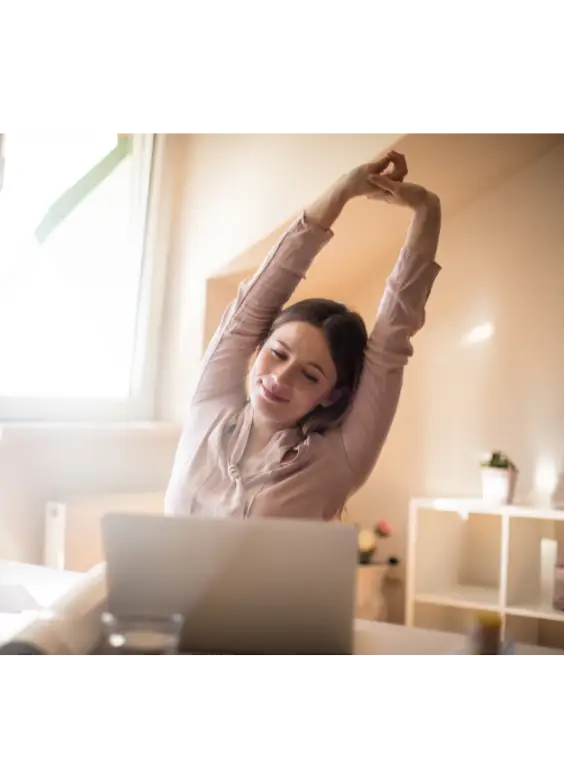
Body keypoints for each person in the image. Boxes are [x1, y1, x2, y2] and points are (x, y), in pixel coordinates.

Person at [164, 151, 442, 521]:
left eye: (309, 375)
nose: (280, 378)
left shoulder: (337, 459)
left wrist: (428, 209)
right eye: (278, 354)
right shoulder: (211, 404)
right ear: (259, 346)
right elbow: (252, 306)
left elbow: (392, 340)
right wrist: (344, 189)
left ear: (332, 395)